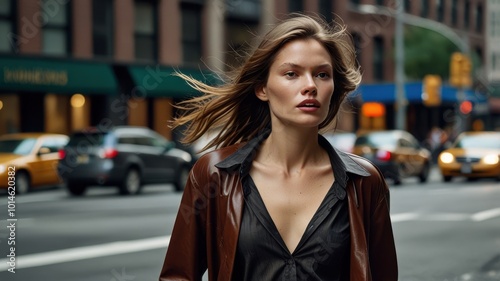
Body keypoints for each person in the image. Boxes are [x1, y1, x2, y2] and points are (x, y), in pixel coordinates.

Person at [159, 14, 398, 281]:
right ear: (262, 88)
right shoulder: (214, 175)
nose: (310, 86)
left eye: (322, 74)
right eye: (291, 74)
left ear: (334, 86)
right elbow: (178, 276)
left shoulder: (364, 182)